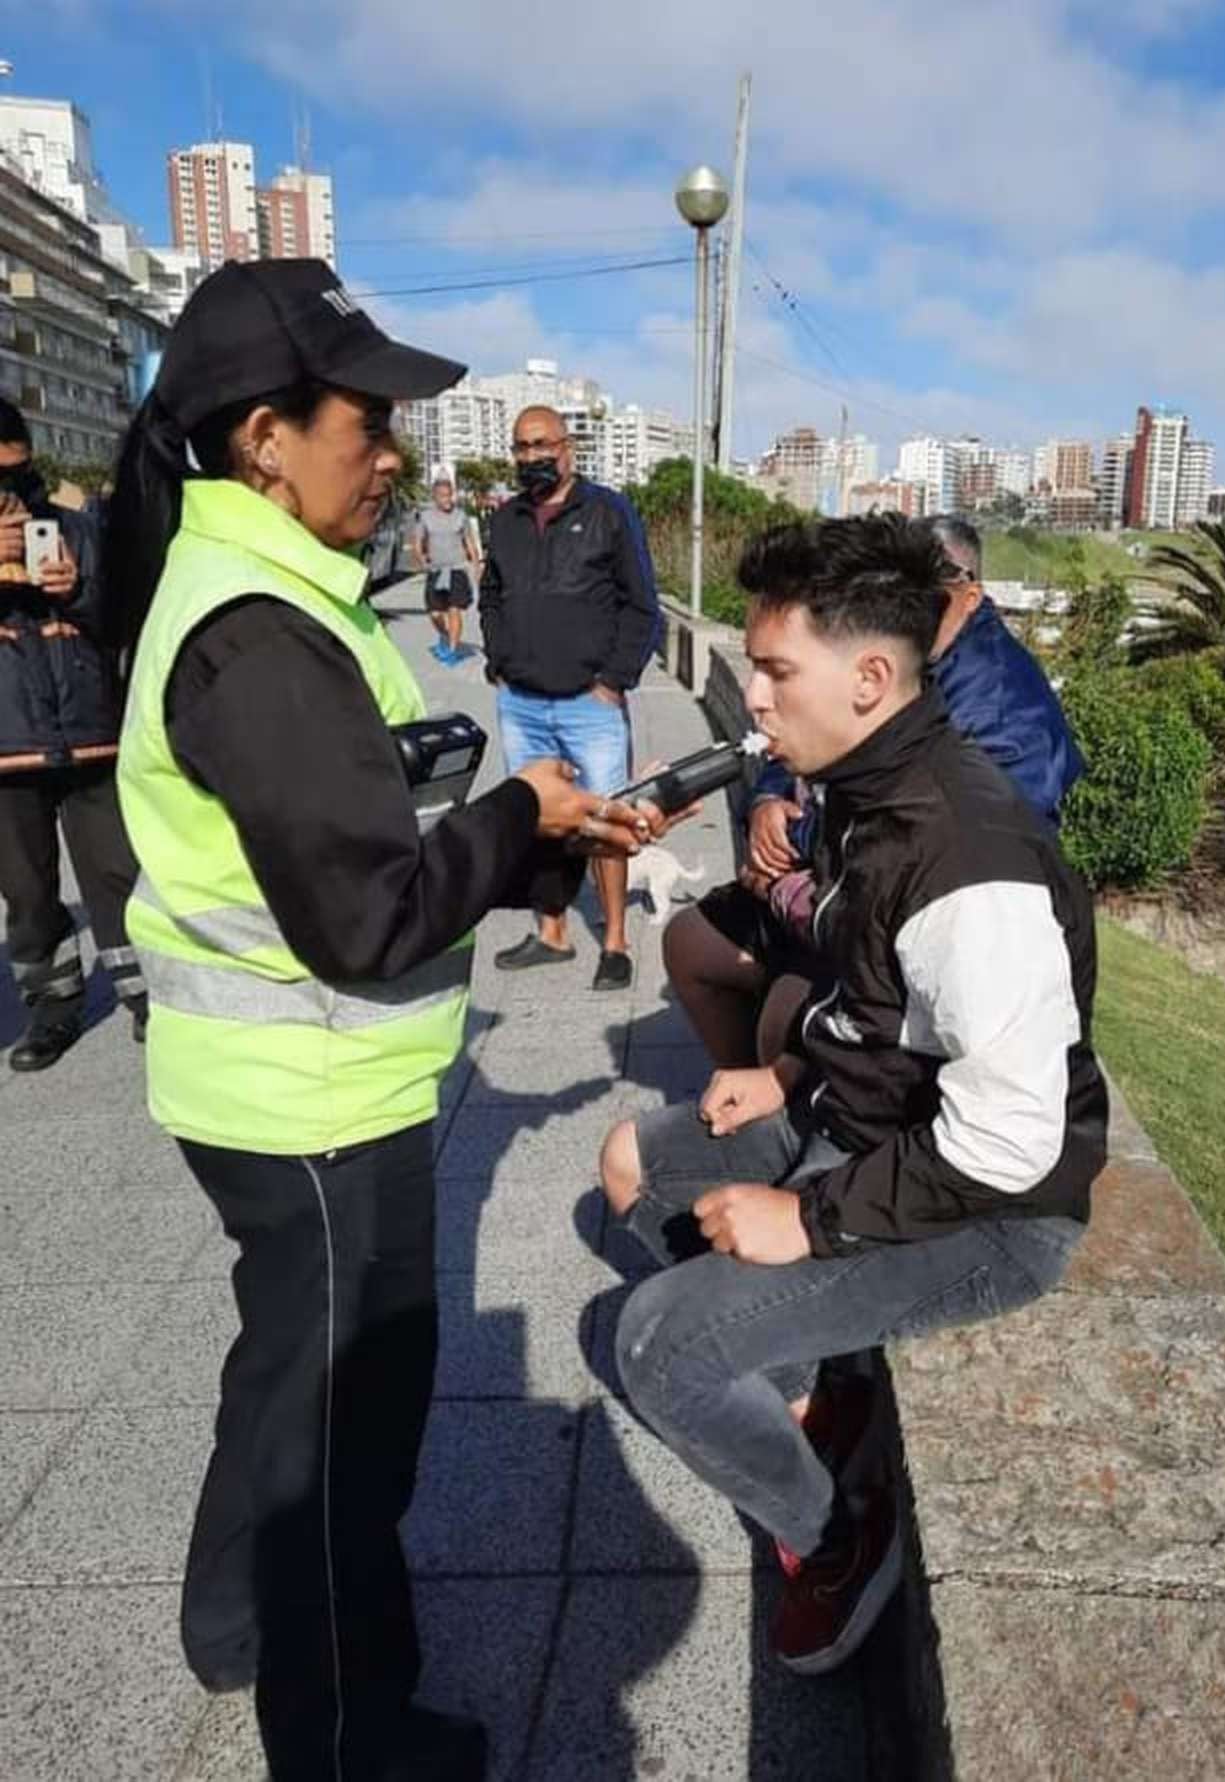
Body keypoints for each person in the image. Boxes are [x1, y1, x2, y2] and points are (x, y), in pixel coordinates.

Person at [105, 258, 651, 1782]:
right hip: (316, 1102)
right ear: (263, 437)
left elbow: (342, 854)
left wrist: (530, 831)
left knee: (284, 1371)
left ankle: (232, 1618)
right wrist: (516, 811)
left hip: (268, 1088)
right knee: (345, 1445)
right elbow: (366, 917)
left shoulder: (248, 589)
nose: (396, 448)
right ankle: (345, 1737)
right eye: (368, 416)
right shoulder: (259, 631)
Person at [598, 514, 1107, 1677]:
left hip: (985, 1215)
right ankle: (806, 1393)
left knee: (656, 1343)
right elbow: (876, 1001)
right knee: (634, 1159)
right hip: (859, 1124)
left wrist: (808, 1220)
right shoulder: (870, 787)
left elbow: (1017, 1143)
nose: (756, 704)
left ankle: (834, 1536)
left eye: (775, 673)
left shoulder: (964, 853)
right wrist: (775, 1069)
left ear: (872, 677)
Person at [664, 511, 1085, 1066]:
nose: (755, 697)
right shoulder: (880, 653)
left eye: (935, 583)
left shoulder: (1003, 708)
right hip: (829, 879)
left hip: (880, 907)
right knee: (689, 942)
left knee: (785, 1020)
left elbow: (935, 844)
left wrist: (788, 868)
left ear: (971, 595)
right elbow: (795, 730)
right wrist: (768, 798)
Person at [478, 406, 659, 991]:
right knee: (539, 819)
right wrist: (499, 662)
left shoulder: (608, 511)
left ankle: (614, 942)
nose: (531, 456)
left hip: (591, 702)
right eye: (520, 447)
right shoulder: (504, 519)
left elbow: (642, 605)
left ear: (567, 449)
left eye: (541, 444)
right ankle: (551, 932)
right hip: (522, 703)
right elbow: (492, 596)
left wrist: (613, 681)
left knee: (606, 821)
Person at [0, 400, 146, 1069]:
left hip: (91, 737)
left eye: (21, 475)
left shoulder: (77, 530)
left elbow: (121, 619)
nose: (13, 496)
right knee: (27, 893)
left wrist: (78, 585)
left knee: (119, 874)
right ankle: (52, 1007)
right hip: (8, 748)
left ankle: (150, 995)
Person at [413, 474, 481, 665]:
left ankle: (452, 650)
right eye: (442, 496)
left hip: (457, 569)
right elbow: (417, 543)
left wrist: (476, 566)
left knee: (454, 610)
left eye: (450, 495)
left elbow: (469, 542)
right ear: (435, 497)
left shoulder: (461, 516)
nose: (447, 499)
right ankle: (446, 635)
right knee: (435, 613)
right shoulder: (426, 517)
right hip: (436, 570)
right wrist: (422, 561)